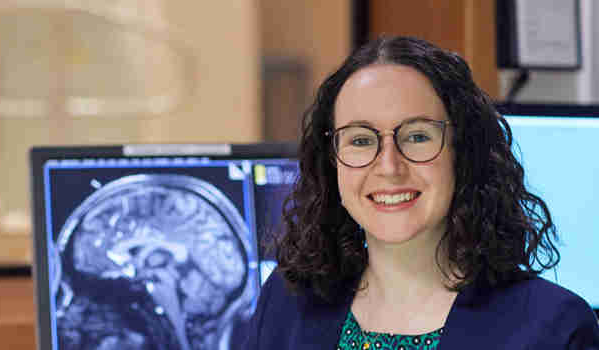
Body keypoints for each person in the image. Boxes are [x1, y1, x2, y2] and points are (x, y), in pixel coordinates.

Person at [244, 36, 599, 349]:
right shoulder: (287, 302)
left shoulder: (553, 328)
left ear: (463, 151)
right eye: (361, 141)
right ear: (331, 161)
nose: (388, 166)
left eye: (417, 136)